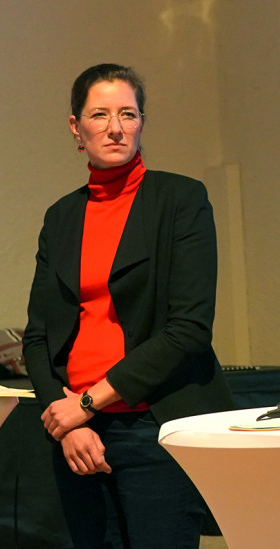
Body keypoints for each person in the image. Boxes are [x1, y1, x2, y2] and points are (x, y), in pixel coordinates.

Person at [22, 64, 234, 548]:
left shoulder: (181, 199)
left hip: (155, 427)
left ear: (142, 122)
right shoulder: (61, 217)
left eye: (128, 113)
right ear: (76, 127)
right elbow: (38, 336)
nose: (115, 127)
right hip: (78, 436)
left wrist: (87, 401)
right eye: (100, 114)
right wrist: (65, 415)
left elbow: (189, 329)